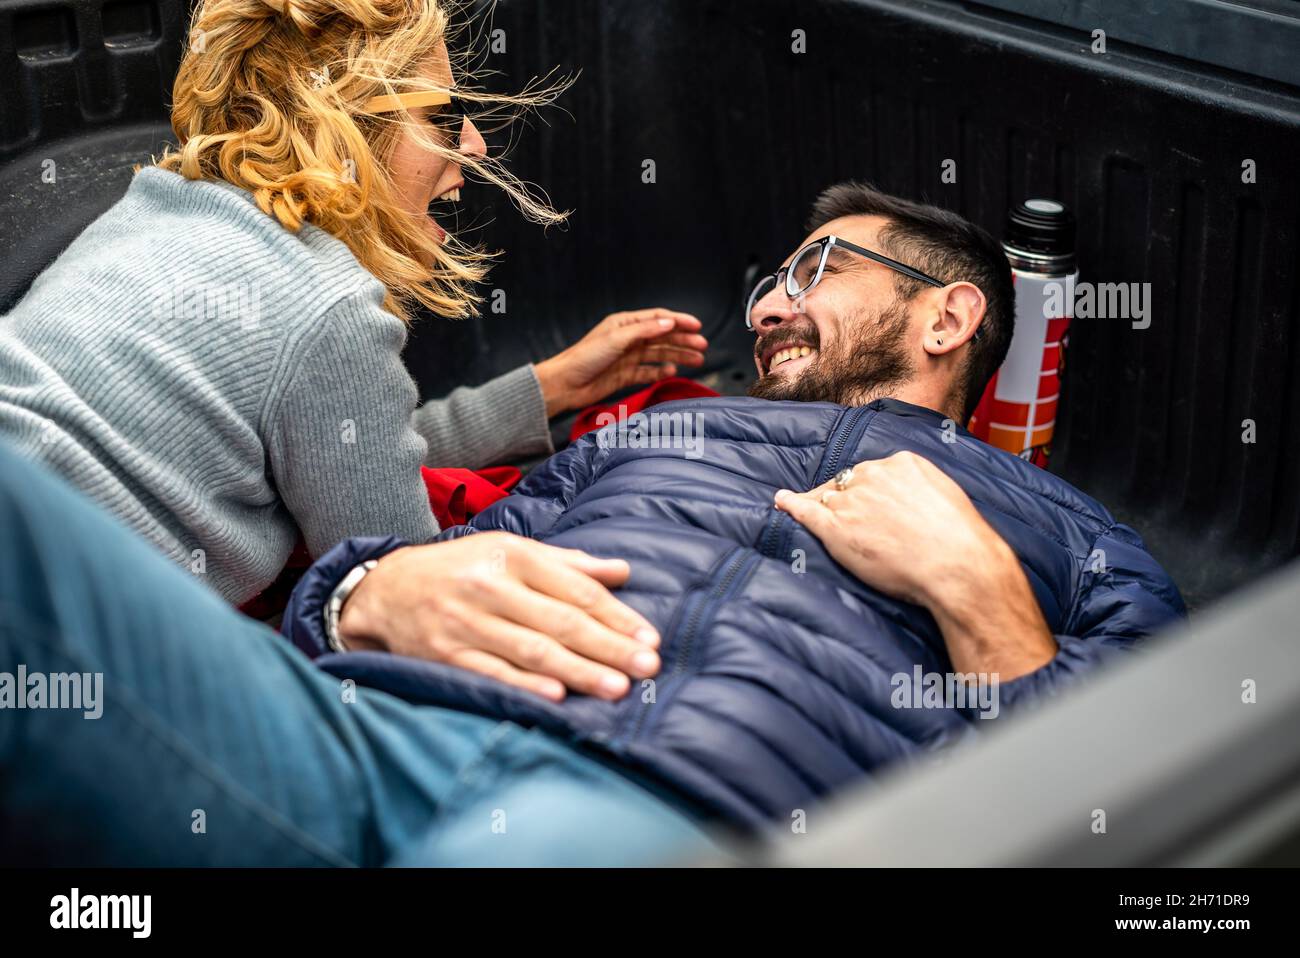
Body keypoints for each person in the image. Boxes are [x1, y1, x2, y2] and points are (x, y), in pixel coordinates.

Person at [0, 183, 1185, 864]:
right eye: (765, 284)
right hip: (361, 733)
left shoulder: (1072, 537)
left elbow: (1142, 815)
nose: (768, 306)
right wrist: (361, 593)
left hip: (651, 811)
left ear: (948, 318)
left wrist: (980, 589)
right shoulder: (656, 430)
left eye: (814, 269)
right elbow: (437, 550)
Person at [0, 0, 707, 700]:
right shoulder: (323, 299)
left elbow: (350, 450)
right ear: (348, 124)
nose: (475, 145)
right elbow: (415, 590)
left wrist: (551, 388)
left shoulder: (147, 211)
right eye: (444, 115)